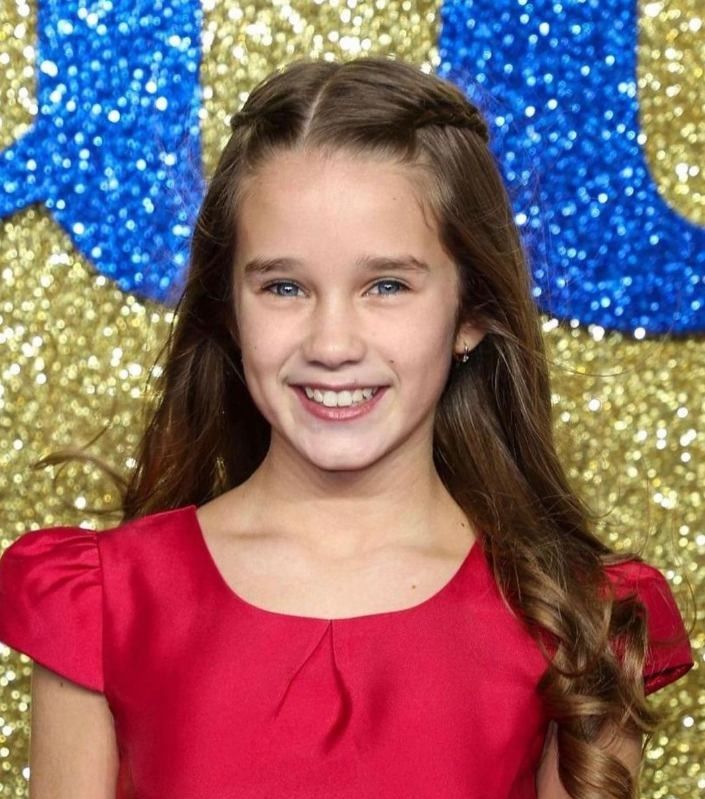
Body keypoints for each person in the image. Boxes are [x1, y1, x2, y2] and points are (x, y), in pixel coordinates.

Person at [0, 56, 694, 799]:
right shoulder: (105, 604)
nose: (332, 344)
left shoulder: (578, 619)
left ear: (471, 312)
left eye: (386, 285)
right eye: (284, 287)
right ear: (228, 309)